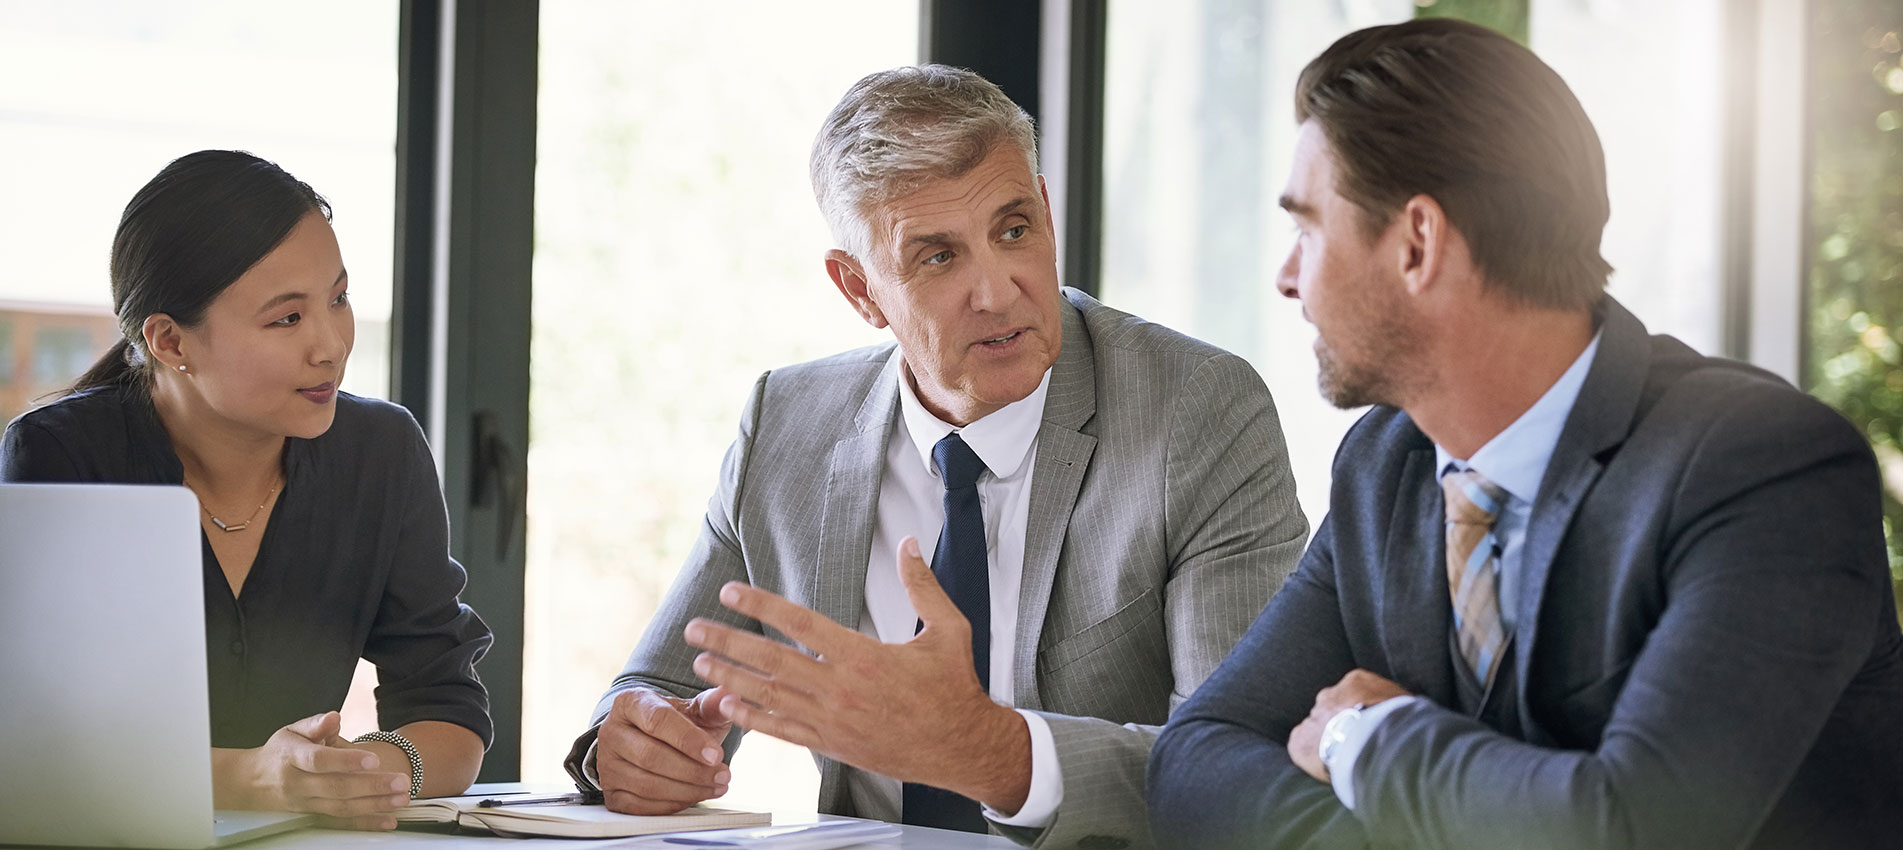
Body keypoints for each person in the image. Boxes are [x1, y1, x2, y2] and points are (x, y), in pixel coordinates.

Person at [1145, 18, 1903, 850]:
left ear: (1417, 244)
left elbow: (1638, 825)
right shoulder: (1385, 465)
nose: (1288, 278)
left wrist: (1360, 739)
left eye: (1307, 229)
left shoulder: (1766, 469)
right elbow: (1194, 760)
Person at [563, 65, 1307, 847]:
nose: (997, 290)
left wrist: (990, 753)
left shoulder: (1195, 410)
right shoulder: (785, 426)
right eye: (938, 257)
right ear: (859, 290)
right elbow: (656, 691)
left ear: (1047, 212)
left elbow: (1239, 771)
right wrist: (637, 746)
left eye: (1013, 229)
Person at [0, 150, 493, 831]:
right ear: (171, 341)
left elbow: (448, 708)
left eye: (339, 299)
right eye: (286, 319)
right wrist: (258, 777)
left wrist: (361, 769)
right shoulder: (60, 454)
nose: (330, 345)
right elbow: (38, 748)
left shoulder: (381, 452)